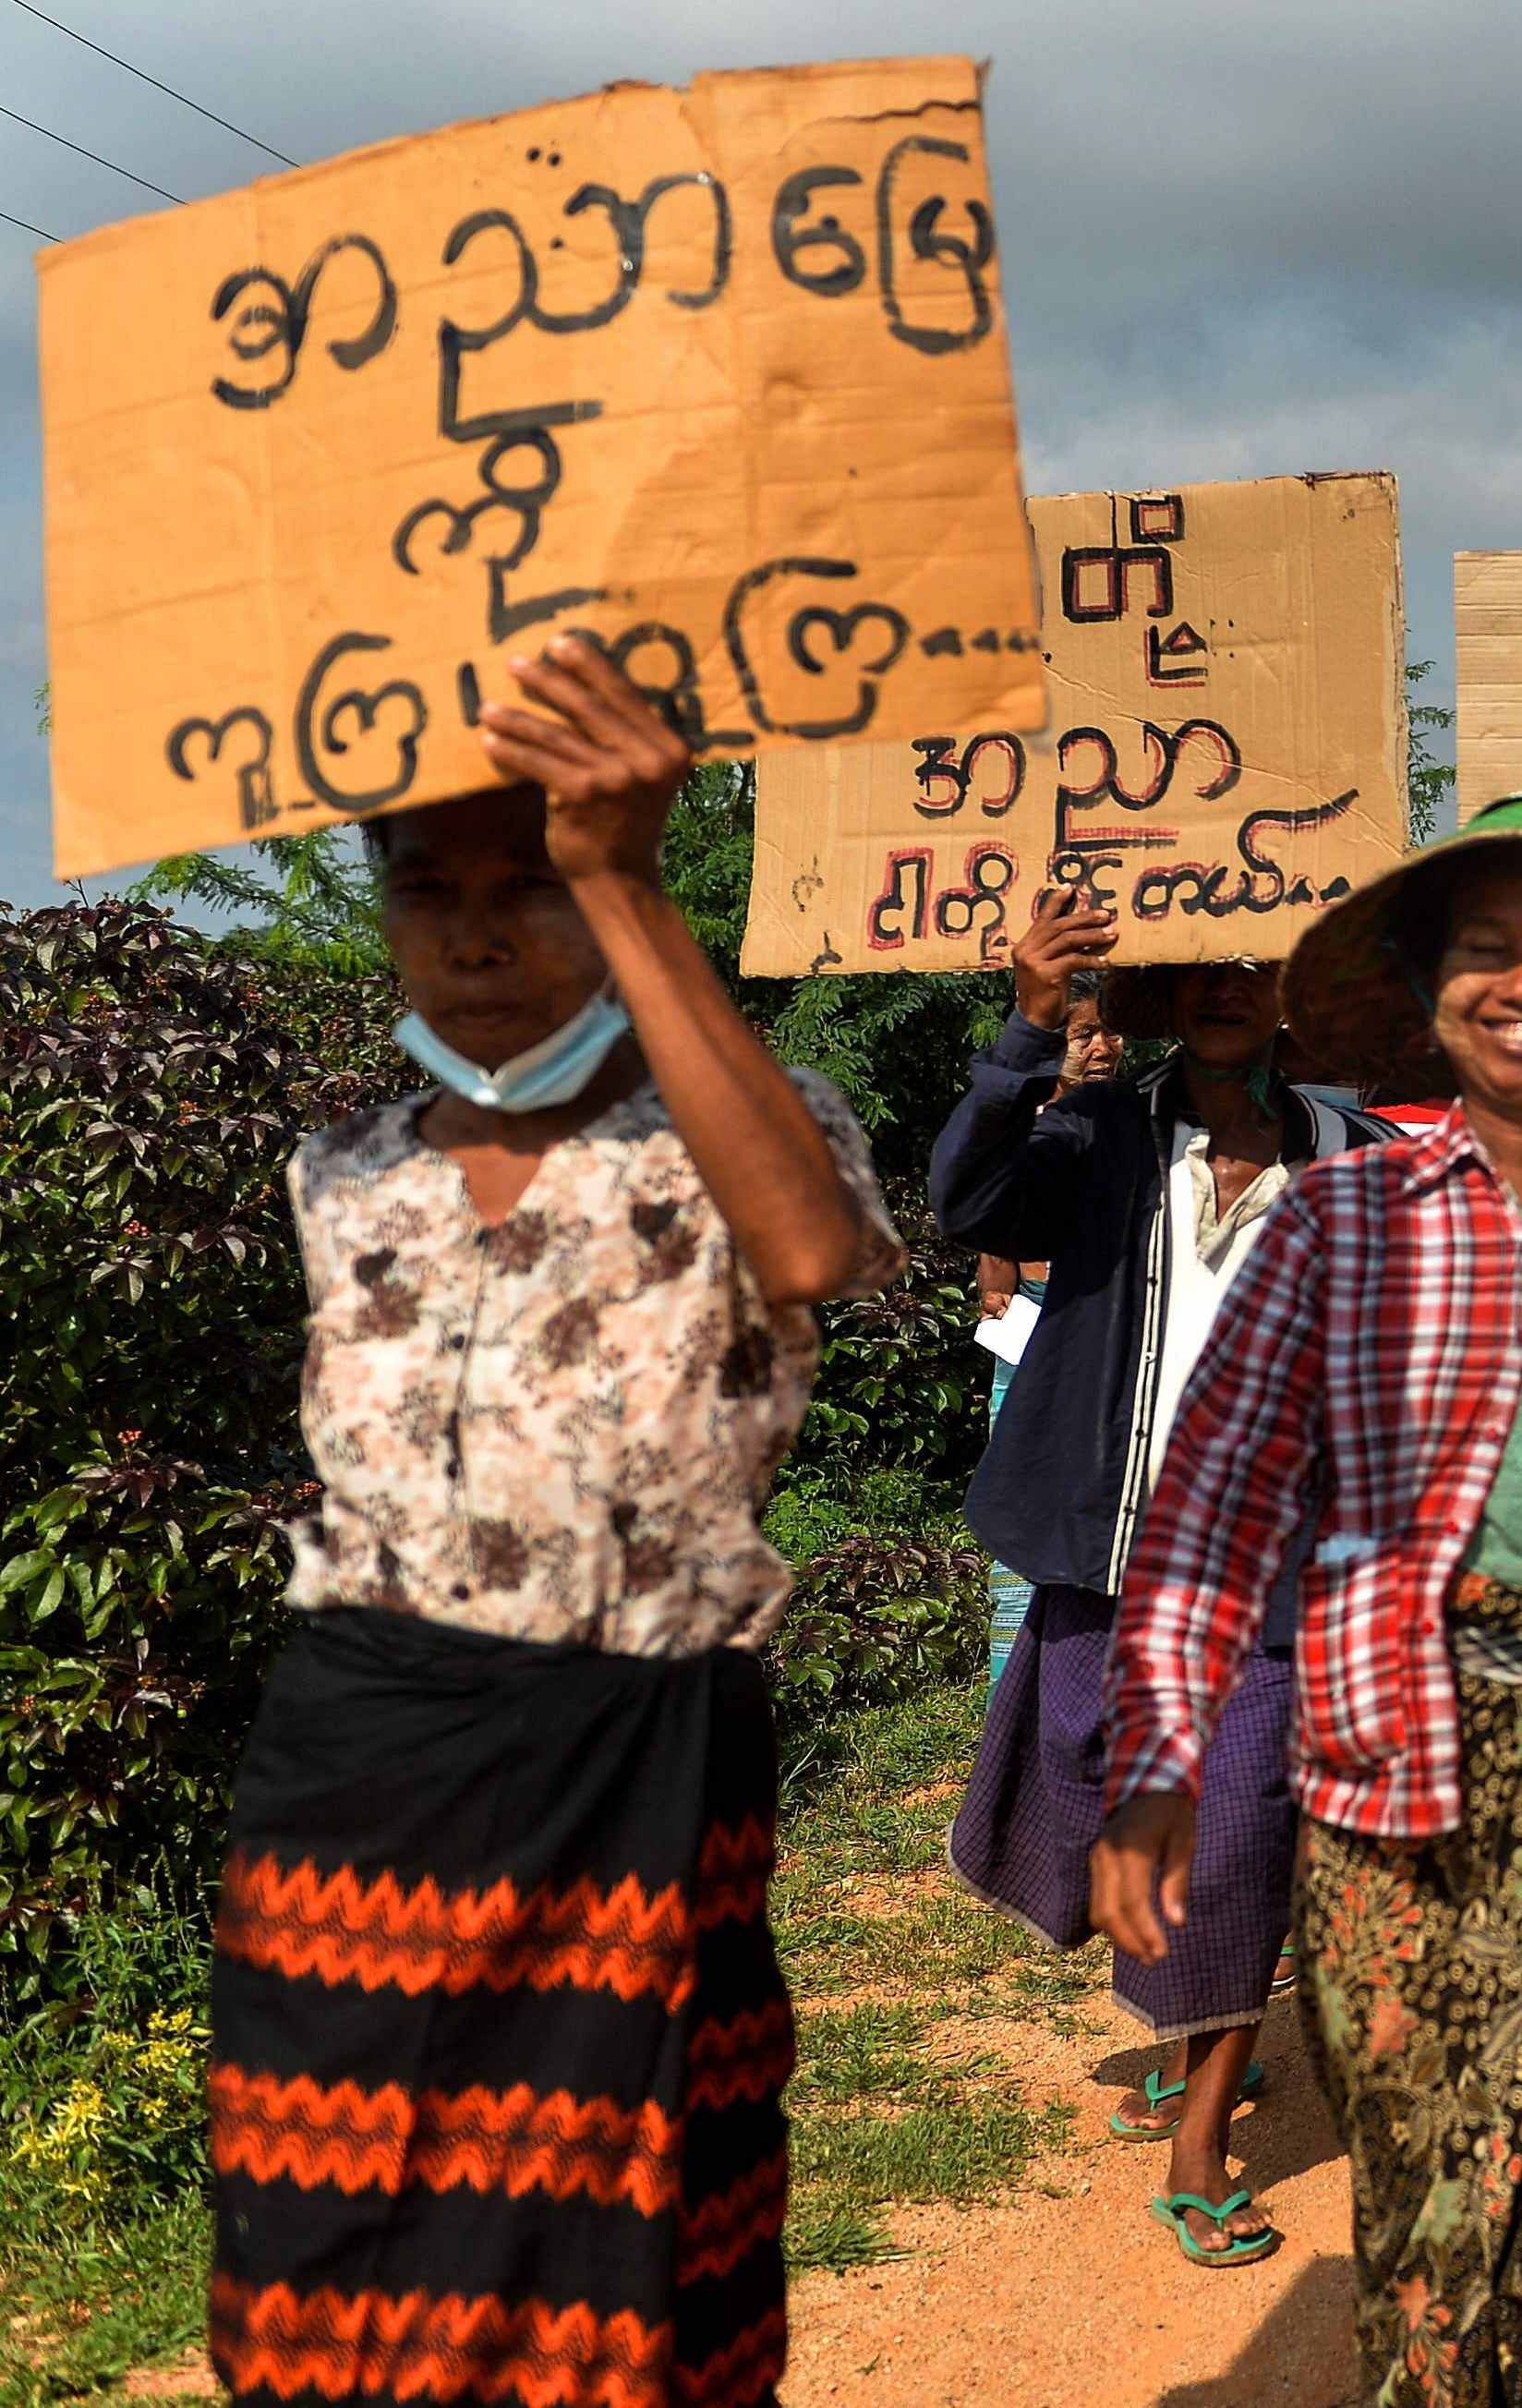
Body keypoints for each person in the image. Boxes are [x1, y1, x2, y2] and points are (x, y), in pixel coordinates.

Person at [209, 637, 900, 2408]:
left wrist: (622, 863)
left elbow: (816, 1257)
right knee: (323, 2283)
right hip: (359, 1785)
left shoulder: (746, 1143)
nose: (476, 936)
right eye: (427, 890)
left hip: (633, 1774)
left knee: (625, 2276)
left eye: (524, 889)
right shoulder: (341, 1169)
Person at [1093, 793, 1522, 2405]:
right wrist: (1156, 1761)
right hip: (1390, 1763)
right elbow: (1209, 1510)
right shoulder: (1336, 1223)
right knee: (1424, 2197)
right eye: (1485, 950)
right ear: (1428, 996)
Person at [933, 906, 1392, 2268]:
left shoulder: (1355, 1160)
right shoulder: (1099, 1135)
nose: (1224, 987)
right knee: (1103, 1789)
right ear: (1164, 994)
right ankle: (1197, 2027)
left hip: (1274, 1571)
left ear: (1294, 997)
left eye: (1255, 964)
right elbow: (968, 1199)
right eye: (1200, 966)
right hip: (1109, 1550)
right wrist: (1023, 1025)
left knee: (1240, 1823)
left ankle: (1203, 2127)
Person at [973, 978, 1120, 1683]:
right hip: (1030, 1356)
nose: (1101, 1049)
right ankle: (1015, 1706)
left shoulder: (1136, 1127)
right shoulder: (1021, 1131)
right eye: (1081, 1034)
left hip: (1116, 1361)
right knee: (1024, 1536)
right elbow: (995, 1274)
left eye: (1109, 1032)